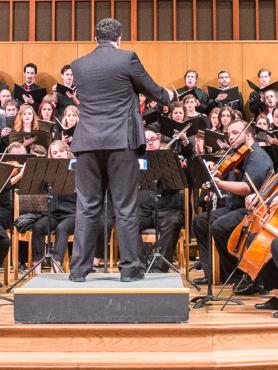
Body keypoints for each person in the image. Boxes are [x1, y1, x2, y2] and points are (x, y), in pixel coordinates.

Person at [69, 18, 173, 282]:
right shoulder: (127, 59)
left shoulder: (78, 66)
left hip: (88, 143)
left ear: (95, 38)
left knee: (87, 206)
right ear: (119, 38)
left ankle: (79, 270)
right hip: (120, 142)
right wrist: (169, 96)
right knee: (125, 207)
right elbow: (153, 90)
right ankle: (129, 270)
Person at [193, 119, 273, 286]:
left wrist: (219, 183)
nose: (231, 138)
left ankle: (238, 275)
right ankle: (215, 273)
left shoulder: (257, 157)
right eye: (229, 134)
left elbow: (246, 188)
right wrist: (215, 170)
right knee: (200, 221)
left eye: (235, 133)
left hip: (252, 211)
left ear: (249, 134)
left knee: (220, 226)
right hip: (234, 206)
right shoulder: (239, 155)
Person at [138, 129, 184, 272]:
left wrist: (179, 169)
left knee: (174, 221)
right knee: (126, 221)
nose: (150, 142)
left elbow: (183, 181)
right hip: (143, 211)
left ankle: (160, 266)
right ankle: (140, 263)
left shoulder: (171, 158)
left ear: (159, 139)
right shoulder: (136, 160)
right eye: (146, 140)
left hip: (167, 210)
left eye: (153, 139)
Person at [31, 140, 76, 273]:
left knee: (61, 229)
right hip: (55, 213)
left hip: (73, 214)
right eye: (55, 153)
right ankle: (37, 268)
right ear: (50, 156)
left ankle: (56, 265)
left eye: (61, 151)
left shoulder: (76, 168)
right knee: (38, 227)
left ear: (67, 152)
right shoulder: (49, 171)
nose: (59, 155)